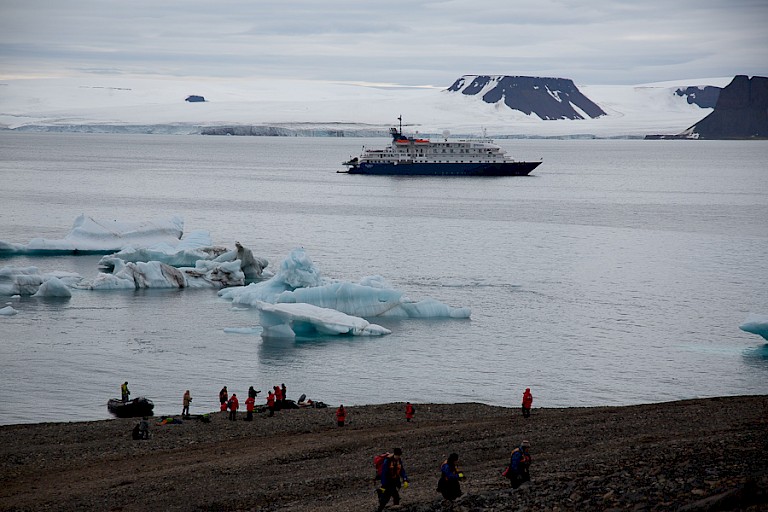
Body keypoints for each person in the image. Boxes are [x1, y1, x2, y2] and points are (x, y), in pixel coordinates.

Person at [377, 447, 408, 512]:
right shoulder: (387, 461)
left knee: (396, 496)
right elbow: (384, 473)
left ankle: (394, 507)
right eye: (397, 455)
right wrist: (384, 485)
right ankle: (380, 509)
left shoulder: (399, 460)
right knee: (386, 498)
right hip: (388, 482)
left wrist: (405, 479)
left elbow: (402, 470)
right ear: (394, 454)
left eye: (399, 455)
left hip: (395, 481)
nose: (398, 457)